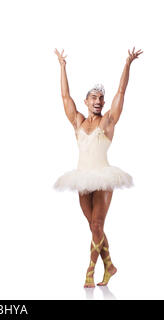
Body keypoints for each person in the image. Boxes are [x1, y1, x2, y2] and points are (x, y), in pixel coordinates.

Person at [53, 47, 142, 287]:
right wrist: (62, 66)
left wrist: (127, 64)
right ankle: (110, 264)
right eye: (94, 98)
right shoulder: (78, 122)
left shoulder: (107, 121)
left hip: (102, 178)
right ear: (86, 101)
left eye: (100, 98)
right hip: (82, 178)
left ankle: (90, 270)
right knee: (94, 227)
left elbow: (121, 92)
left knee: (97, 225)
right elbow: (64, 98)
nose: (98, 101)